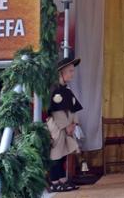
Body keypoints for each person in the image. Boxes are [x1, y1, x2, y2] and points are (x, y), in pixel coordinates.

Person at [47, 56, 83, 193]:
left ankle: (62, 180)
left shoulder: (66, 90)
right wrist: (66, 125)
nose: (72, 73)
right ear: (61, 72)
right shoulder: (54, 89)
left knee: (63, 153)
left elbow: (73, 108)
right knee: (56, 153)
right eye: (70, 71)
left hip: (67, 125)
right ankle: (54, 182)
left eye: (73, 71)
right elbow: (56, 111)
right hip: (57, 126)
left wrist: (74, 123)